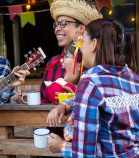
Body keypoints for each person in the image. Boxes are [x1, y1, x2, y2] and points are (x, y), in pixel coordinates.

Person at [50, 19, 139, 157]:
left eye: (82, 42)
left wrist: (61, 147)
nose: (80, 48)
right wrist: (65, 105)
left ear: (93, 44)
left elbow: (84, 153)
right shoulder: (134, 79)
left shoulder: (90, 83)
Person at [39, 0, 103, 103]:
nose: (57, 29)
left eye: (63, 24)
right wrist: (24, 99)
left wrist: (75, 98)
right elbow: (43, 99)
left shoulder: (96, 61)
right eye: (56, 25)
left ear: (81, 28)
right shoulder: (53, 63)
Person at [46, 41, 83, 157]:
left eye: (66, 56)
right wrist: (63, 106)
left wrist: (62, 146)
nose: (61, 61)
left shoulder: (90, 95)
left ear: (79, 64)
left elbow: (94, 150)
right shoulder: (83, 92)